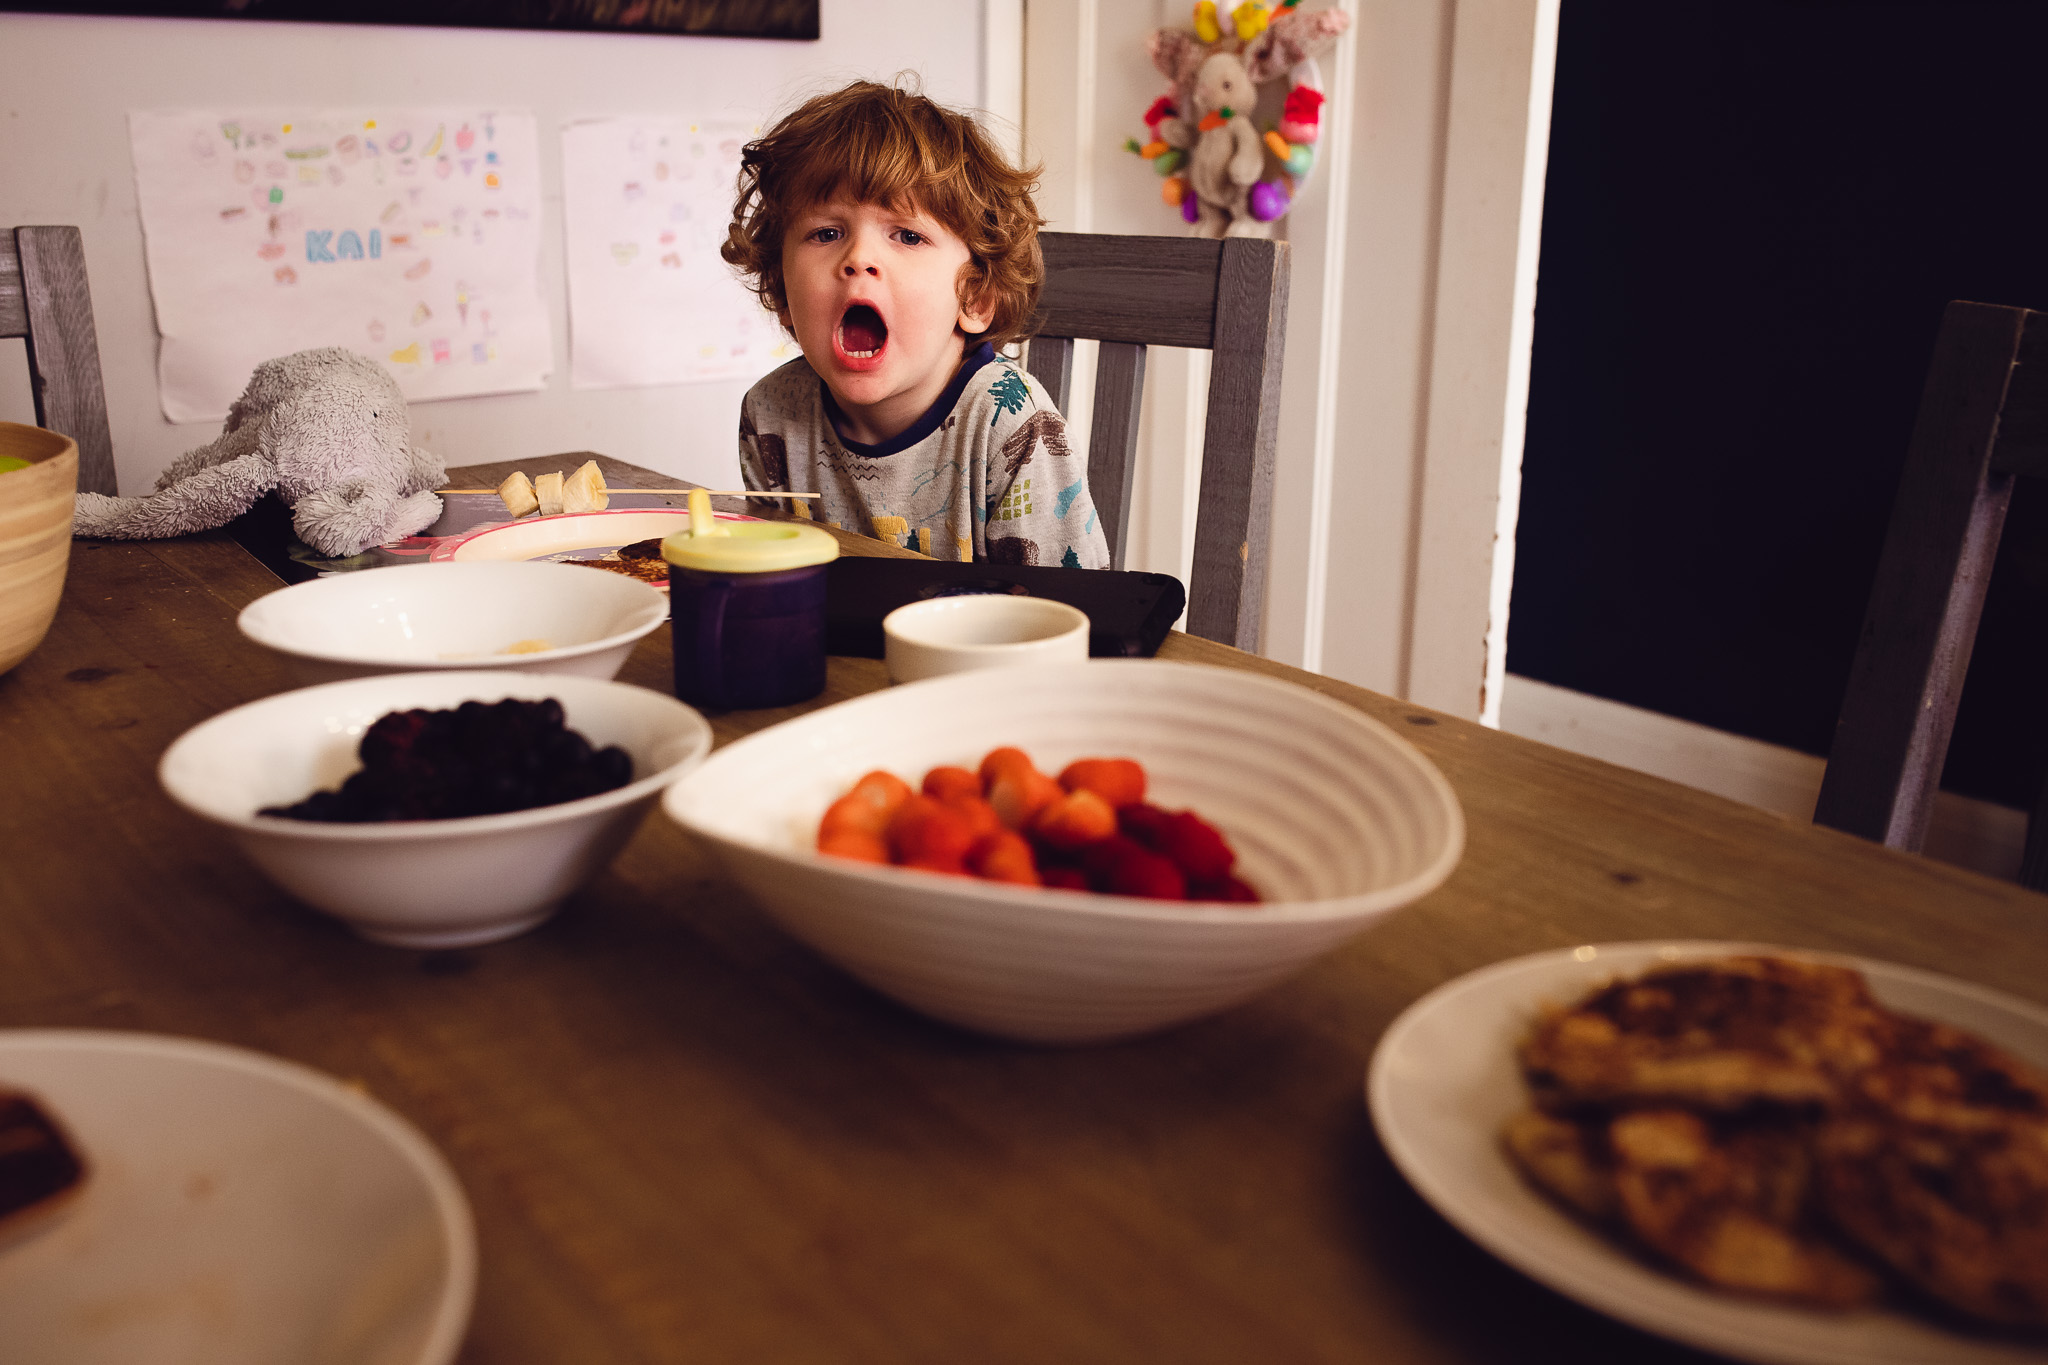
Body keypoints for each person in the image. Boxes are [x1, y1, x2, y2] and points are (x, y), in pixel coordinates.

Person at [722, 80, 1109, 568]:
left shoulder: (1009, 424)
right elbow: (776, 589)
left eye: (907, 235)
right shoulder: (771, 413)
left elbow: (1068, 620)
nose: (859, 256)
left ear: (976, 297)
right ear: (782, 291)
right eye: (826, 233)